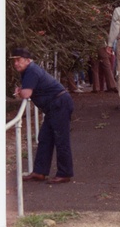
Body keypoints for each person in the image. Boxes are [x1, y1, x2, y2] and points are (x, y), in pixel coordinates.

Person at [10, 48, 74, 184]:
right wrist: (22, 91)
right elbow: (27, 91)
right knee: (44, 138)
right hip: (53, 106)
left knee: (61, 139)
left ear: (27, 60)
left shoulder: (31, 71)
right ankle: (39, 172)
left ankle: (64, 174)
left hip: (59, 103)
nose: (16, 63)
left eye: (18, 60)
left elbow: (26, 94)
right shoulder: (28, 70)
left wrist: (20, 92)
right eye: (14, 61)